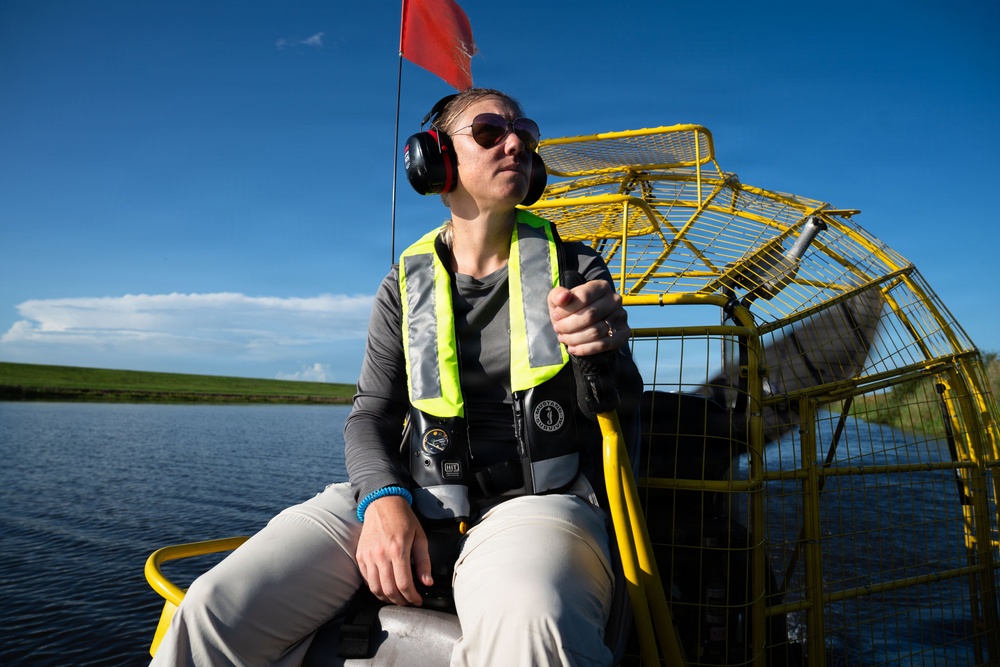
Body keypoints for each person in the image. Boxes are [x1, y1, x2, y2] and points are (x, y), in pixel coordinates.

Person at [150, 87, 640, 667]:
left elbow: (620, 405)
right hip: (412, 489)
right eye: (488, 132)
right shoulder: (403, 284)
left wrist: (601, 351)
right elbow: (370, 416)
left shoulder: (576, 266)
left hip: (535, 502)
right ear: (435, 159)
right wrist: (383, 500)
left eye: (525, 136)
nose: (515, 143)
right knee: (212, 607)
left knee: (531, 625)